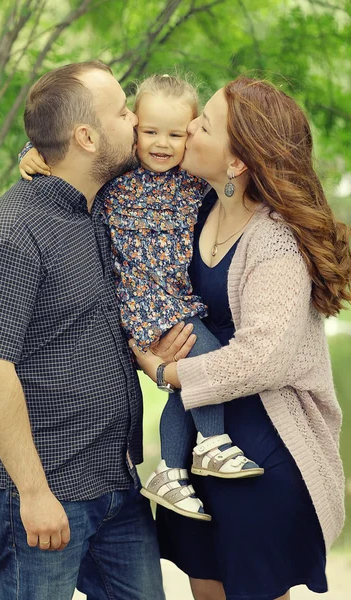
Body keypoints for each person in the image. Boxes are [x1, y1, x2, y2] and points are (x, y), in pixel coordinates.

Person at [0, 60, 195, 600]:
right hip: (44, 497)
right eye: (124, 111)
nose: (136, 121)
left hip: (117, 486)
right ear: (86, 135)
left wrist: (156, 356)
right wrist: (33, 494)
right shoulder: (8, 233)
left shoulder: (99, 214)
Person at [131, 76, 350, 600]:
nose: (186, 131)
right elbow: (125, 140)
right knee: (205, 590)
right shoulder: (195, 205)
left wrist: (165, 372)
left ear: (236, 163)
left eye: (202, 124)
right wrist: (37, 155)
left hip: (260, 449)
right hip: (194, 452)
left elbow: (262, 358)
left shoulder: (273, 239)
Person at [19, 73, 263, 524]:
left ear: (190, 133)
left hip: (179, 299)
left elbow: (234, 170)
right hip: (141, 301)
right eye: (150, 131)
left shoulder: (193, 179)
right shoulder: (122, 171)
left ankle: (171, 471)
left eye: (175, 133)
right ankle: (209, 444)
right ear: (134, 132)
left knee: (181, 385)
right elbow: (70, 154)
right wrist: (31, 154)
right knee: (203, 363)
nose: (162, 144)